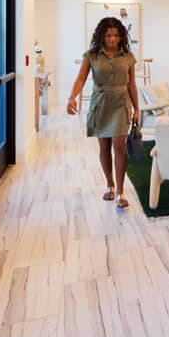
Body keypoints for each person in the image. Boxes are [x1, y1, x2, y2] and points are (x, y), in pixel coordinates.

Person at [67, 17, 140, 208]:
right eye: (108, 35)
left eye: (116, 35)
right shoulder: (91, 55)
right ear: (101, 36)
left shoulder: (128, 57)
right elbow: (81, 79)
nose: (112, 39)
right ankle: (109, 185)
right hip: (100, 103)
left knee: (119, 145)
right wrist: (71, 97)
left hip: (121, 103)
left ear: (121, 36)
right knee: (104, 146)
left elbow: (132, 84)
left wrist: (138, 109)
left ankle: (121, 193)